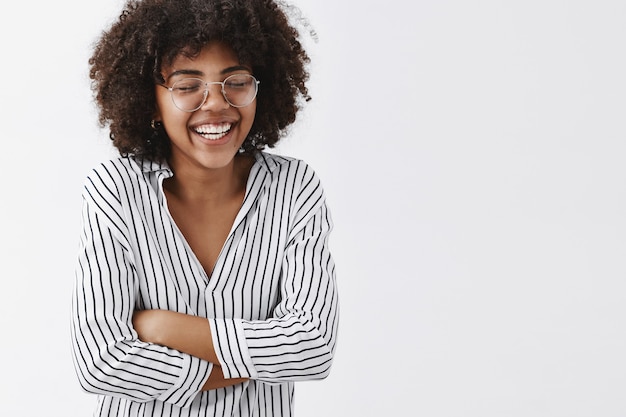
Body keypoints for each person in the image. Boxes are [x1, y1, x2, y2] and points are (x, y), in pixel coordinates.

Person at [69, 0, 339, 416]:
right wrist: (258, 356)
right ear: (151, 100)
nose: (215, 104)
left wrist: (163, 327)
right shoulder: (115, 191)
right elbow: (100, 362)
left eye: (236, 81)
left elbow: (312, 348)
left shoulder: (294, 189)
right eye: (186, 84)